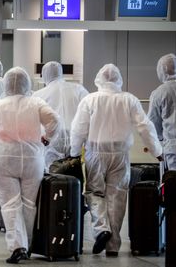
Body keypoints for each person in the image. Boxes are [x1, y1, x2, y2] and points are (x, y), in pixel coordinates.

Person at [0, 67, 61, 264]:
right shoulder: (36, 103)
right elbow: (55, 121)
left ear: (6, 84)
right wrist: (47, 138)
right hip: (33, 160)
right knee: (29, 203)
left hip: (4, 159)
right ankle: (28, 244)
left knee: (9, 204)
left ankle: (18, 246)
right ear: (27, 84)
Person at [70, 64, 163, 257]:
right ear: (119, 79)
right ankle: (112, 246)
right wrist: (157, 151)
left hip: (95, 152)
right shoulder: (129, 100)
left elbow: (78, 128)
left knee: (94, 192)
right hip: (120, 154)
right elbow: (145, 126)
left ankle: (101, 228)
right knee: (117, 197)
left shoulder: (90, 100)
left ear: (99, 79)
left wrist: (73, 151)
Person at [33, 61, 89, 170]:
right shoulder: (78, 89)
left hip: (51, 139)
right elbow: (89, 111)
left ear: (45, 75)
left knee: (52, 173)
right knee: (73, 170)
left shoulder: (38, 94)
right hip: (74, 137)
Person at [148, 53, 176, 172]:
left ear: (161, 71)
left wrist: (160, 139)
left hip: (174, 148)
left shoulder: (159, 93)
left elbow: (153, 123)